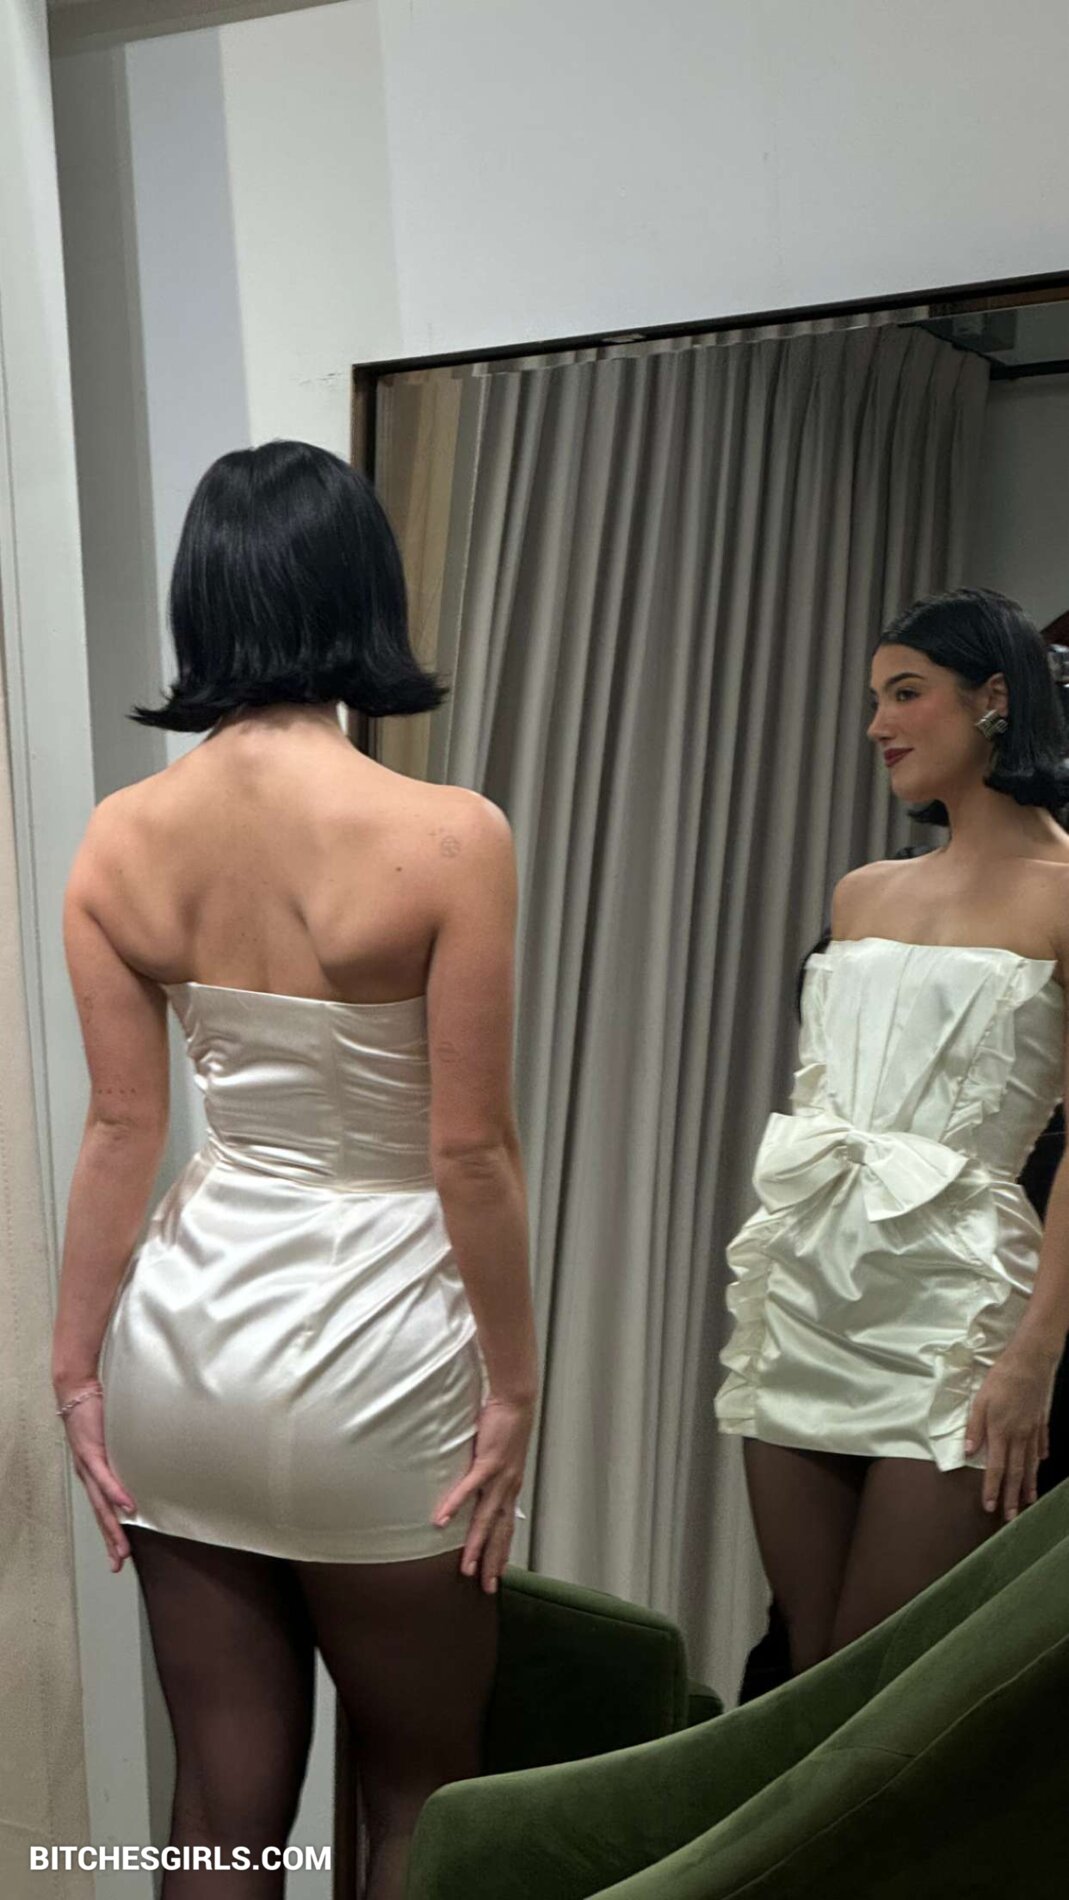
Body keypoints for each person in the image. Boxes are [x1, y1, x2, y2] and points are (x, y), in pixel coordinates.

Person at [51, 440, 540, 1900]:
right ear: (359, 591)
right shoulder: (448, 835)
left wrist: (73, 1367)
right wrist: (515, 1386)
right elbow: (469, 1149)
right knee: (418, 1789)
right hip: (382, 1344)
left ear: (203, 600)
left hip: (187, 1342)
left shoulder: (119, 839)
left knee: (220, 1796)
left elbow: (121, 1128)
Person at [715, 587, 1069, 1681]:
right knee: (804, 1674)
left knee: (877, 1684)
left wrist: (1034, 1356)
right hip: (807, 1292)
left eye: (905, 693)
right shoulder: (861, 894)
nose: (877, 724)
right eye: (874, 699)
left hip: (957, 1310)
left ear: (994, 698)